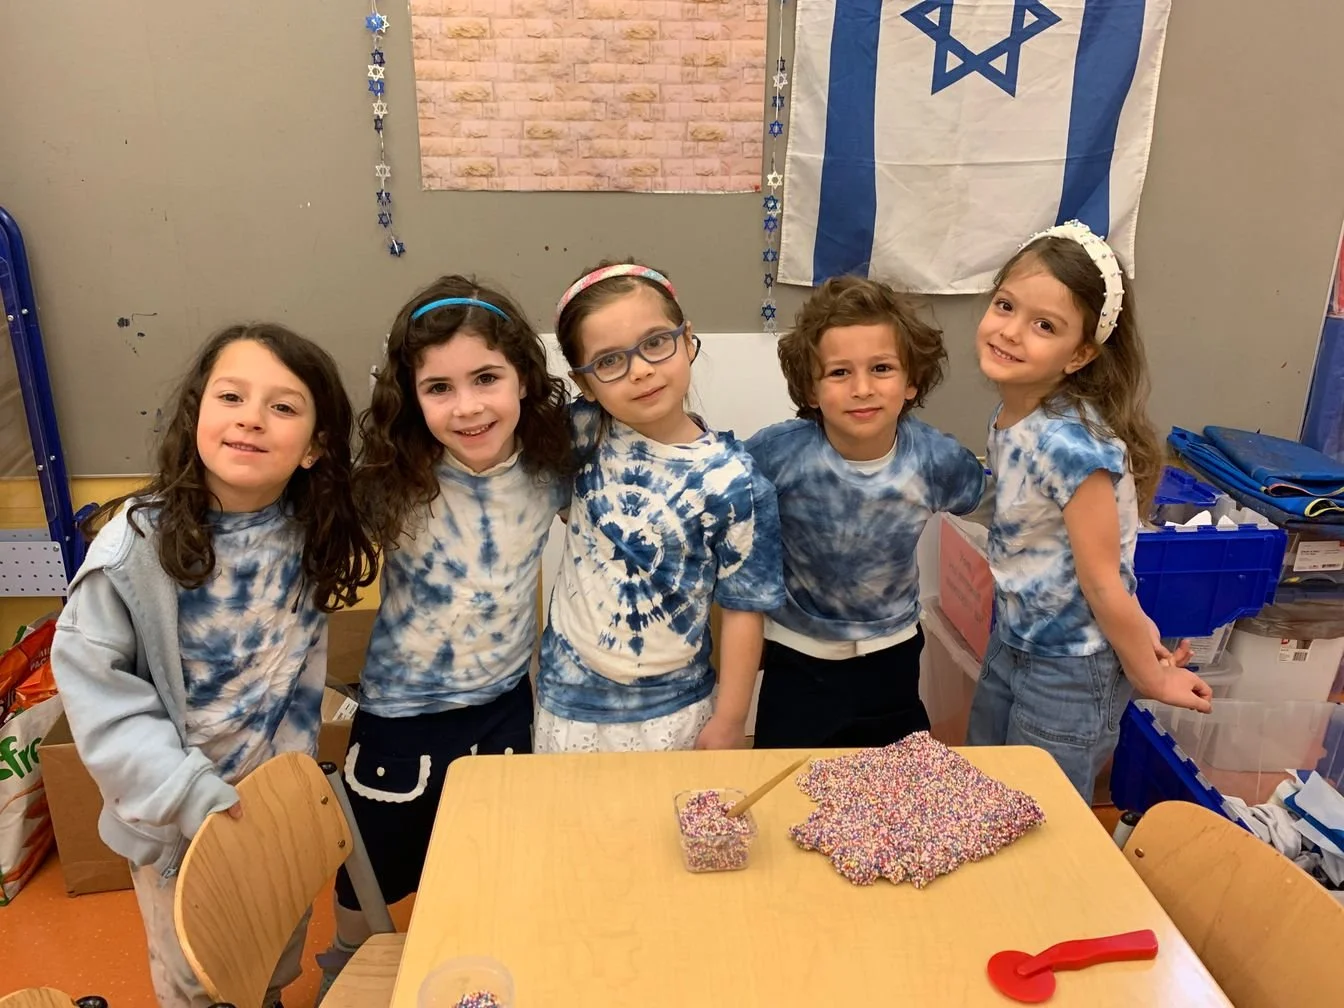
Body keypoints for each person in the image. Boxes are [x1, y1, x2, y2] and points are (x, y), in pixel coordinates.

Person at [51, 324, 376, 1008]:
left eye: (283, 407)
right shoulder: (134, 548)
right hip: (178, 823)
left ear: (315, 446)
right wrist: (193, 798)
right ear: (197, 413)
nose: (252, 418)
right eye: (231, 396)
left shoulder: (308, 528)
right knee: (200, 982)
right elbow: (101, 697)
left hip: (274, 812)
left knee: (272, 958)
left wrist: (285, 797)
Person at [318, 278, 571, 990]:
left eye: (486, 378)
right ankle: (343, 968)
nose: (468, 407)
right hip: (400, 721)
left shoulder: (551, 468)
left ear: (524, 376)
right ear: (410, 396)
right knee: (368, 872)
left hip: (504, 709)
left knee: (491, 866)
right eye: (439, 388)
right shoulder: (391, 479)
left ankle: (478, 972)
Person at [965, 221, 1210, 800]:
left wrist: (1149, 676)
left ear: (1079, 355)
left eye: (1044, 325)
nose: (1011, 332)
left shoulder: (1072, 447)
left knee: (1044, 815)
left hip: (1070, 669)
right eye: (1005, 306)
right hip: (1016, 637)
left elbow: (1103, 583)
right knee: (980, 789)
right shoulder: (1012, 413)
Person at [535, 261, 785, 752]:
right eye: (609, 361)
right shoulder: (582, 432)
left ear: (687, 339)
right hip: (566, 706)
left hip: (677, 713)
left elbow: (743, 610)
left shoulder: (735, 482)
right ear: (585, 384)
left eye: (655, 343)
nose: (640, 370)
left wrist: (731, 719)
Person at [746, 276, 986, 748]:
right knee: (786, 777)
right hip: (798, 659)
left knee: (897, 780)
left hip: (892, 654)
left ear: (911, 381)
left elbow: (1003, 513)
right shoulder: (777, 455)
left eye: (881, 368)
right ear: (811, 390)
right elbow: (715, 500)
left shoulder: (936, 460)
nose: (862, 389)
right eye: (839, 373)